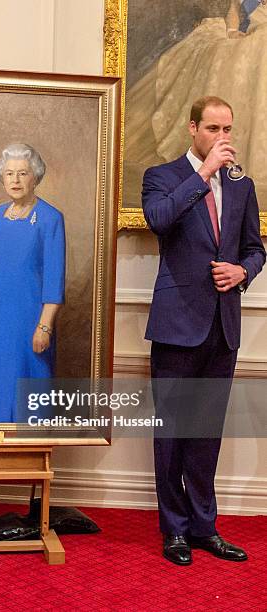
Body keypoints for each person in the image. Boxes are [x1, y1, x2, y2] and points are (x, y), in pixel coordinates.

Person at [143, 96, 265, 566]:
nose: (223, 138)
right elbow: (158, 219)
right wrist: (203, 174)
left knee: (206, 434)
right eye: (213, 129)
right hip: (177, 325)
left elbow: (256, 248)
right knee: (171, 433)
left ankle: (203, 528)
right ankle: (173, 531)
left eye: (228, 130)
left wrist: (242, 272)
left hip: (222, 327)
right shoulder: (163, 177)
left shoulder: (243, 186)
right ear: (193, 128)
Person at [125, 0, 267, 206]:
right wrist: (233, 30)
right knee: (230, 55)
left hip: (261, 40)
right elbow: (234, 12)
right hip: (255, 37)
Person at [0, 144, 65, 423]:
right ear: (2, 177)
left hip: (28, 320)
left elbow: (55, 280)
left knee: (25, 404)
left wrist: (44, 327)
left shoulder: (50, 219)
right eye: (9, 174)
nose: (15, 181)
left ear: (36, 177)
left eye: (22, 173)